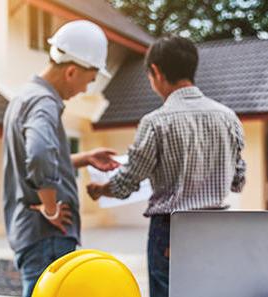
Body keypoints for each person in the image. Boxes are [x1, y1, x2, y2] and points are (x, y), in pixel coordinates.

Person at [87, 36, 246, 297]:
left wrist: (100, 189)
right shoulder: (228, 117)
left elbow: (127, 182)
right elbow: (237, 180)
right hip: (216, 227)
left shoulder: (155, 122)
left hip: (172, 229)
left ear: (156, 72)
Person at [3, 20, 119, 297]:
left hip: (35, 236)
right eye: (89, 81)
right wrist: (51, 208)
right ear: (70, 71)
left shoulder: (24, 97)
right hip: (48, 236)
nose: (85, 90)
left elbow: (40, 156)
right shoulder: (44, 102)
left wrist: (84, 158)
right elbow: (40, 154)